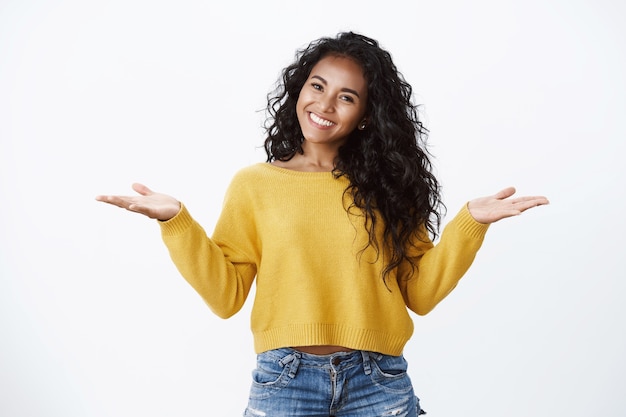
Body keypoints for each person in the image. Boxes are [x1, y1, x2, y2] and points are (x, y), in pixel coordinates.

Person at [96, 32, 548, 417]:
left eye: (346, 97)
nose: (325, 104)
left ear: (366, 115)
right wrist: (177, 222)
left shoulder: (388, 187)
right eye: (317, 86)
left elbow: (421, 294)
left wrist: (469, 224)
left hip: (379, 381)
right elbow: (226, 296)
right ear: (299, 89)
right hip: (284, 381)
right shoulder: (255, 185)